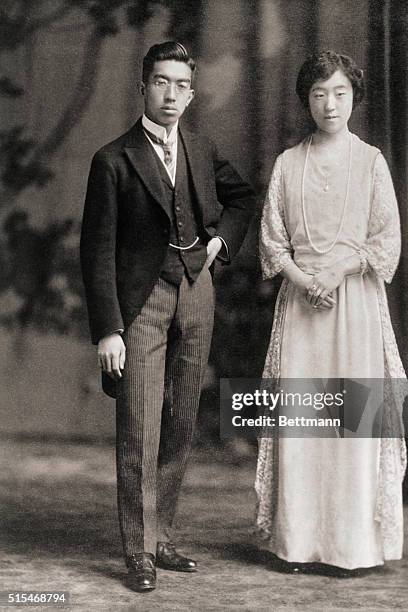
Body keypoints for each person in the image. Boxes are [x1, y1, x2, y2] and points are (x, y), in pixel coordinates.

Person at [80, 41, 255, 592]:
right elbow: (97, 249)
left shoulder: (200, 148)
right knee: (139, 424)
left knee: (181, 419)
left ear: (193, 92)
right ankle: (137, 552)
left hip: (197, 293)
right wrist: (109, 329)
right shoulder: (113, 159)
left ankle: (162, 537)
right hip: (141, 304)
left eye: (182, 85)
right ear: (144, 86)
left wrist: (219, 244)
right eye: (161, 82)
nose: (172, 94)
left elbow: (243, 198)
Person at [255, 50, 407, 573]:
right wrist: (305, 280)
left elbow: (386, 239)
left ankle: (351, 549)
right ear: (307, 100)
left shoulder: (371, 162)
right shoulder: (287, 163)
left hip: (355, 306)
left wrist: (338, 273)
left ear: (354, 98)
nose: (329, 103)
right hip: (302, 306)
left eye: (340, 93)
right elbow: (273, 243)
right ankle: (296, 546)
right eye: (319, 94)